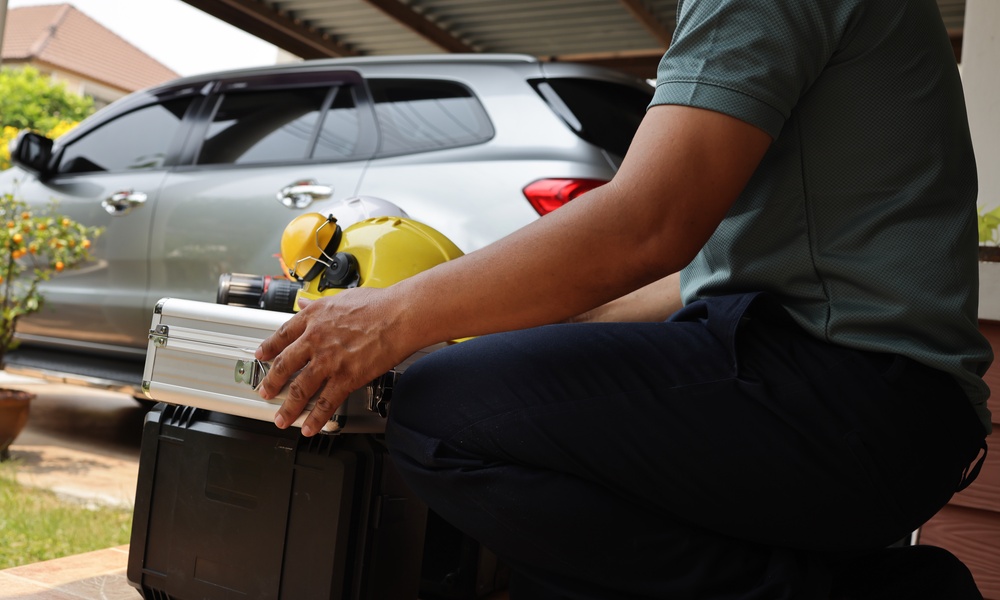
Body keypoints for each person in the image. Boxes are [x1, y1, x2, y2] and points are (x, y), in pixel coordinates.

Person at [255, 0, 991, 597]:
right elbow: (696, 271)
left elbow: (650, 225)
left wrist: (395, 316)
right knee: (505, 416)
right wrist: (513, 336)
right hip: (886, 405)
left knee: (444, 417)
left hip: (851, 396)